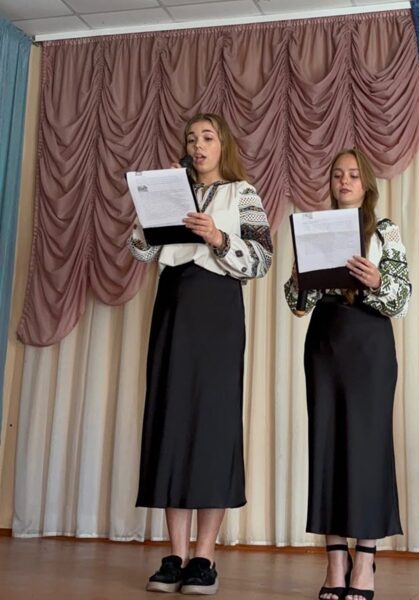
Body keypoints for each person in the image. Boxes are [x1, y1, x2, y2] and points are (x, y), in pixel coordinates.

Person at [128, 113, 273, 595]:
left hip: (218, 314)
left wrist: (218, 237)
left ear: (223, 144)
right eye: (191, 138)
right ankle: (175, 555)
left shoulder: (243, 193)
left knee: (213, 428)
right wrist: (154, 203)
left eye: (207, 137)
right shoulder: (175, 191)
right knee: (171, 422)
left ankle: (204, 558)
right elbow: (141, 252)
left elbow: (263, 259)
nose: (198, 145)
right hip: (173, 308)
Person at [284, 148, 412, 600]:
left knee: (367, 449)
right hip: (324, 344)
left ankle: (366, 560)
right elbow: (296, 304)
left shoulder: (384, 230)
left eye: (354, 175)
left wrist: (375, 281)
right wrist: (300, 277)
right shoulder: (315, 226)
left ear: (367, 184)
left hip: (370, 345)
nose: (344, 180)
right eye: (338, 174)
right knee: (328, 446)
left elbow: (402, 299)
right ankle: (335, 561)